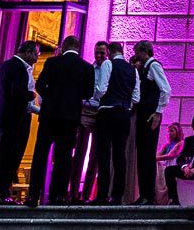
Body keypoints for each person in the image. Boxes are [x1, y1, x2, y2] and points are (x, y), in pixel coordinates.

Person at [27, 37, 94, 205]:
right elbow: (88, 92)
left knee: (41, 154)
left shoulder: (52, 63)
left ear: (63, 47)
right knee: (64, 156)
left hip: (50, 115)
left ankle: (33, 194)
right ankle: (58, 194)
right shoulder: (86, 67)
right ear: (78, 48)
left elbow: (40, 85)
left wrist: (51, 97)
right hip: (70, 117)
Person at [0, 41, 41, 205]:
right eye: (35, 54)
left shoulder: (6, 65)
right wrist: (30, 95)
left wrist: (4, 96)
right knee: (10, 156)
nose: (36, 58)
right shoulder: (19, 68)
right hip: (15, 117)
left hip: (2, 115)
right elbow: (18, 93)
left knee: (0, 155)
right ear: (27, 52)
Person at [88, 39, 138, 205]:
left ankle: (102, 194)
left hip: (107, 111)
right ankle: (117, 195)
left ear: (109, 52)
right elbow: (136, 97)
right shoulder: (133, 70)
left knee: (103, 154)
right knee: (119, 155)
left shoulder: (108, 65)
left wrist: (95, 97)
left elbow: (102, 89)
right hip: (124, 113)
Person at [131, 41, 173, 204]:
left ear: (144, 52)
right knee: (142, 154)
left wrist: (158, 112)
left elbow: (166, 89)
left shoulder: (154, 66)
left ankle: (148, 195)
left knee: (147, 154)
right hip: (144, 114)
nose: (136, 56)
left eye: (137, 52)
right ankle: (144, 194)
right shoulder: (144, 68)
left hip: (150, 115)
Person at [73, 41, 109, 202]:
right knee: (80, 152)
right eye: (97, 52)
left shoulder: (109, 68)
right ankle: (73, 192)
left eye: (102, 52)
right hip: (87, 109)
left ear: (107, 53)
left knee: (95, 155)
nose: (99, 55)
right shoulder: (89, 69)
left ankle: (87, 194)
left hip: (101, 112)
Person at [163, 117, 194, 205]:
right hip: (188, 169)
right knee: (169, 170)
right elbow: (181, 158)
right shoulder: (189, 140)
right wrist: (184, 167)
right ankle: (173, 200)